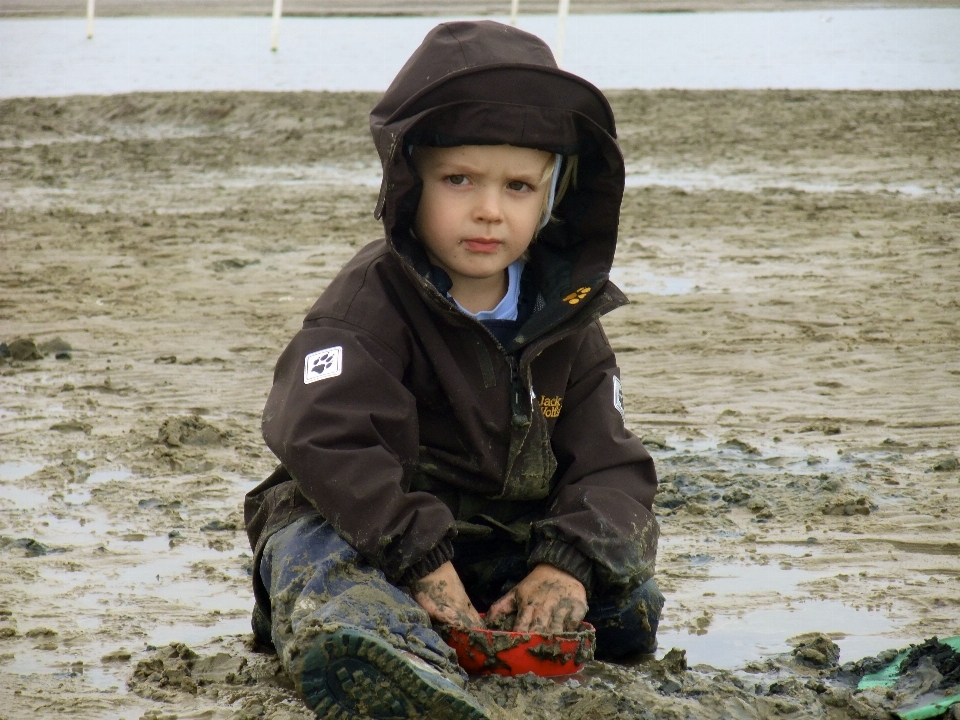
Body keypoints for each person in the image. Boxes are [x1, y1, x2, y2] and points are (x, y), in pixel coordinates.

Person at [243, 20, 663, 720]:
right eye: (459, 179)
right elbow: (323, 436)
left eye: (519, 186)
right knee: (318, 560)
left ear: (552, 196)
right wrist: (418, 561)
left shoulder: (566, 320)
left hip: (491, 548)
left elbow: (612, 467)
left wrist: (566, 566)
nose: (489, 210)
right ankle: (381, 653)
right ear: (412, 182)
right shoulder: (366, 306)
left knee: (630, 606)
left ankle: (480, 630)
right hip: (373, 535)